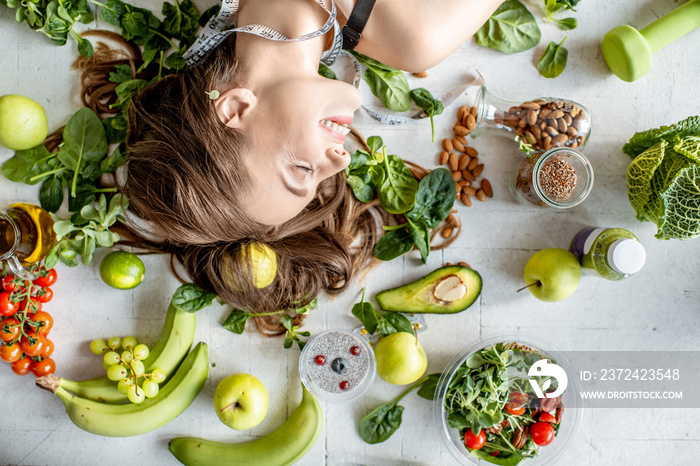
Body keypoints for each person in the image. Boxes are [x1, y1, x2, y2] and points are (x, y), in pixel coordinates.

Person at [117, 0, 504, 329]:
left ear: (235, 108)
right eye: (320, 180)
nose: (341, 161)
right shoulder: (415, 36)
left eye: (302, 170)